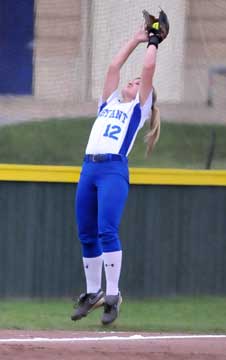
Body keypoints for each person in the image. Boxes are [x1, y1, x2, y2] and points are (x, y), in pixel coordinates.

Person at [71, 21, 167, 325]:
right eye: (133, 80)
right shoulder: (109, 102)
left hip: (113, 169)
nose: (133, 81)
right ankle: (93, 293)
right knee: (86, 233)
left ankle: (112, 294)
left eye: (138, 83)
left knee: (106, 231)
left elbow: (149, 70)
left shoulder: (137, 109)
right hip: (89, 168)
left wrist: (153, 42)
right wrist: (136, 38)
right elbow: (114, 66)